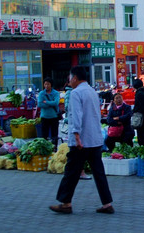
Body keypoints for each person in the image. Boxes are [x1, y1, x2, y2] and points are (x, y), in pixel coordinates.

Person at [50, 66, 114, 214]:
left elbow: (76, 116)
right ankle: (107, 204)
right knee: (99, 173)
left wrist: (77, 136)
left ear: (75, 78)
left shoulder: (76, 93)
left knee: (71, 172)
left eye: (70, 78)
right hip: (95, 139)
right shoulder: (92, 91)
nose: (69, 81)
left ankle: (66, 203)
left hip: (81, 141)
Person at [38, 77, 61, 148]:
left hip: (54, 116)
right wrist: (51, 103)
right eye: (45, 84)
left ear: (51, 85)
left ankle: (54, 148)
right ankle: (44, 149)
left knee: (55, 135)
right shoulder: (41, 93)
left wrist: (46, 102)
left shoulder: (56, 93)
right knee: (44, 135)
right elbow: (40, 104)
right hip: (44, 117)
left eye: (48, 84)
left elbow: (56, 103)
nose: (46, 86)